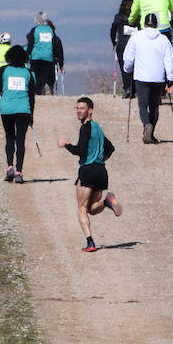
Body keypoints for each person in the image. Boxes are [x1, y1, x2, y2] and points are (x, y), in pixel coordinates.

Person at [58, 96, 122, 252]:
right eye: (77, 108)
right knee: (91, 209)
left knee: (81, 208)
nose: (79, 111)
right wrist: (99, 159)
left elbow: (79, 151)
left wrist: (65, 144)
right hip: (101, 172)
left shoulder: (85, 128)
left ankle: (90, 242)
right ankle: (107, 201)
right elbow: (111, 148)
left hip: (88, 171)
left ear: (90, 110)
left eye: (82, 108)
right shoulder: (98, 128)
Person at [122, 13, 173, 144]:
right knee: (154, 106)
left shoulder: (136, 37)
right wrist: (171, 79)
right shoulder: (164, 40)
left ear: (144, 24)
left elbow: (128, 57)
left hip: (142, 77)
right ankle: (151, 134)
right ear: (157, 24)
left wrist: (127, 69)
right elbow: (169, 60)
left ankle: (146, 125)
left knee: (142, 104)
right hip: (158, 78)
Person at [0, 46, 37, 184]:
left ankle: (9, 166)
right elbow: (31, 95)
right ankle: (19, 172)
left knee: (10, 138)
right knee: (20, 140)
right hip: (24, 110)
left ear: (9, 57)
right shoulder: (28, 73)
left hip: (7, 109)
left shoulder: (3, 70)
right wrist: (31, 114)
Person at [25, 12, 64, 95]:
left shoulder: (35, 30)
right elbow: (55, 46)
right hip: (48, 57)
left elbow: (31, 44)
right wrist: (60, 63)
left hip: (36, 57)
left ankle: (39, 91)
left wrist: (26, 56)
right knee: (48, 75)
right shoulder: (50, 31)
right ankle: (48, 87)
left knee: (38, 76)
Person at [110, 0, 137, 98]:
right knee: (136, 67)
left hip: (122, 44)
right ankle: (134, 88)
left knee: (124, 67)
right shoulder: (138, 18)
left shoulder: (118, 17)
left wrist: (114, 42)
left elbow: (113, 30)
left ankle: (128, 89)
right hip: (135, 45)